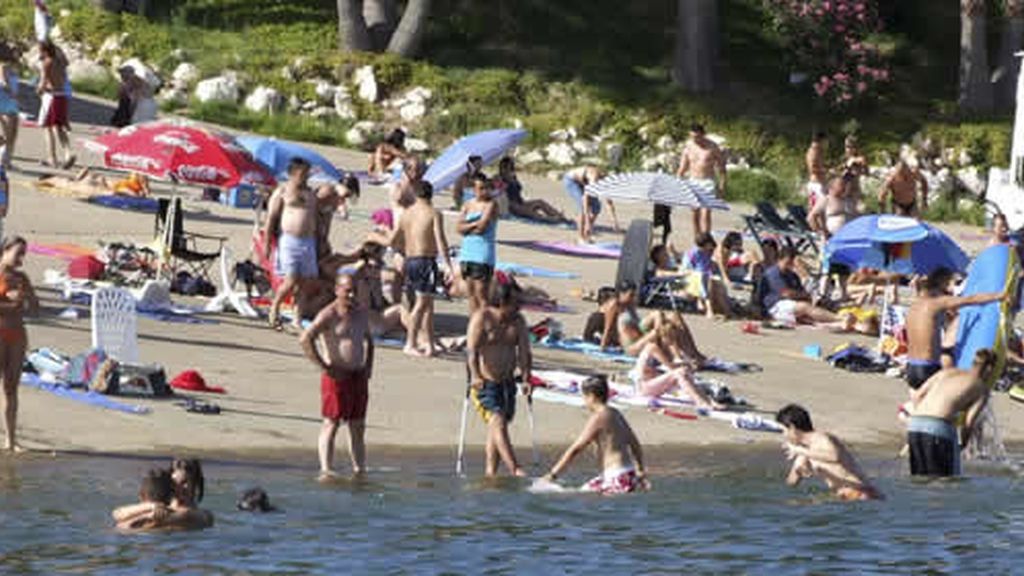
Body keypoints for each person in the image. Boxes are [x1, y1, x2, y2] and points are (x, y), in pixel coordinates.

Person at [300, 273, 374, 479]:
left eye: (353, 291)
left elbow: (369, 340)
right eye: (346, 290)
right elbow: (305, 339)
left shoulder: (360, 312)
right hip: (336, 375)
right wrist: (324, 367)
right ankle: (326, 468)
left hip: (358, 374)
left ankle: (359, 468)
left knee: (358, 424)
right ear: (337, 290)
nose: (350, 295)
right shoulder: (328, 314)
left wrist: (369, 366)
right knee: (332, 422)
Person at [371, 180, 453, 356]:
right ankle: (411, 343)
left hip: (410, 261)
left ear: (415, 195)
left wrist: (378, 236)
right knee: (422, 304)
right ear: (431, 195)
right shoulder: (434, 213)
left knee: (428, 304)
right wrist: (448, 265)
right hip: (425, 261)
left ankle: (430, 344)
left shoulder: (406, 214)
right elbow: (441, 241)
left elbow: (394, 240)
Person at [466, 282, 532, 477]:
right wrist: (476, 375)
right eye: (515, 302)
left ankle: (491, 473)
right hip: (486, 383)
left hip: (508, 382)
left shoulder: (518, 321)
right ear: (502, 301)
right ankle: (515, 469)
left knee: (497, 429)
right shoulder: (482, 318)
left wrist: (527, 377)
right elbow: (471, 351)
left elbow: (524, 352)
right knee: (498, 422)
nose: (519, 306)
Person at [542, 375, 649, 495]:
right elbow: (634, 443)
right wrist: (640, 470)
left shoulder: (598, 417)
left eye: (584, 397)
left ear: (591, 396)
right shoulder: (615, 413)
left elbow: (575, 449)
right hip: (627, 474)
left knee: (572, 496)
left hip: (617, 478)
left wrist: (552, 475)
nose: (584, 401)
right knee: (580, 492)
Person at [904, 268, 1005, 392]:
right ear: (943, 284)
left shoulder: (916, 304)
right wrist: (999, 296)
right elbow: (970, 300)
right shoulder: (937, 302)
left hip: (911, 367)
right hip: (928, 368)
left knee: (919, 405)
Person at [908, 349, 997, 477]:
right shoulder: (980, 388)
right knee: (945, 481)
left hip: (915, 423)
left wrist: (923, 419)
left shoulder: (947, 372)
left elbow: (918, 395)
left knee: (918, 478)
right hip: (939, 427)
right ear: (989, 369)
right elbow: (969, 422)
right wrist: (964, 444)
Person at [776, 404, 883, 501]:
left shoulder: (822, 439)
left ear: (792, 428)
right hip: (845, 497)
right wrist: (799, 471)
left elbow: (834, 456)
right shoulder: (804, 451)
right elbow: (791, 483)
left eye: (783, 430)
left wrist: (800, 451)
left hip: (862, 494)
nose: (783, 435)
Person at [264, 158, 319, 331]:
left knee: (306, 282)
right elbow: (271, 218)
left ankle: (297, 318)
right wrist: (267, 242)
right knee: (290, 280)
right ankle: (275, 308)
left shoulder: (311, 193)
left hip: (308, 241)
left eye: (308, 173)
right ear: (293, 173)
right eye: (303, 173)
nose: (306, 177)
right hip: (289, 240)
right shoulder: (282, 191)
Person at [0, 237, 38, 453]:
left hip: (17, 335)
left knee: (11, 388)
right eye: (18, 253)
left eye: (24, 254)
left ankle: (11, 440)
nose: (21, 259)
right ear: (5, 250)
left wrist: (28, 297)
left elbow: (35, 309)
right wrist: (10, 300)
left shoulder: (21, 278)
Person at [633, 325, 724, 410]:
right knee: (680, 373)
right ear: (662, 337)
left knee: (684, 374)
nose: (673, 342)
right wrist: (688, 365)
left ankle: (708, 401)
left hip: (652, 383)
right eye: (670, 338)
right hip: (643, 387)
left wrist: (687, 365)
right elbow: (671, 366)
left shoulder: (663, 348)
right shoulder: (653, 347)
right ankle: (700, 402)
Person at [760, 246, 837, 325]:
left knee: (814, 309)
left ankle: (838, 320)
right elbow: (786, 294)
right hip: (775, 306)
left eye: (792, 262)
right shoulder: (773, 273)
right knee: (805, 307)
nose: (790, 265)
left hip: (791, 304)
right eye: (788, 262)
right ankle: (838, 318)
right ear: (780, 259)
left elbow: (802, 292)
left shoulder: (792, 275)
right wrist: (803, 295)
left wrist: (806, 296)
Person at [457, 173, 499, 313]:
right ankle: (474, 326)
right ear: (474, 189)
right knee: (471, 295)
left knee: (482, 296)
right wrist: (474, 225)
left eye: (486, 188)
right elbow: (458, 228)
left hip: (482, 255)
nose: (484, 191)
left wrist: (467, 227)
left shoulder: (491, 204)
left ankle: (485, 327)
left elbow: (482, 227)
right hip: (467, 254)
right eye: (480, 188)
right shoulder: (468, 204)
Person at [678, 123, 727, 241]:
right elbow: (683, 167)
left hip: (707, 181)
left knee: (706, 212)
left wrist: (722, 185)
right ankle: (697, 238)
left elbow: (721, 167)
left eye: (697, 137)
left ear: (703, 135)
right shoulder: (688, 147)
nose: (695, 140)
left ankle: (706, 238)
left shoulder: (712, 147)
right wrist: (678, 180)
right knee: (694, 212)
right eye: (692, 137)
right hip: (693, 180)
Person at [497, 156, 569, 225]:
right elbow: (499, 193)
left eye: (511, 166)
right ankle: (551, 220)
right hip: (510, 206)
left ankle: (559, 216)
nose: (511, 168)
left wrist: (512, 180)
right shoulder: (499, 178)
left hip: (520, 202)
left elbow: (518, 189)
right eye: (509, 166)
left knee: (540, 202)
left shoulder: (513, 176)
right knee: (531, 212)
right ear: (503, 167)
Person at [37, 40, 74, 169]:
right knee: (59, 127)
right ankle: (68, 152)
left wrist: (39, 90)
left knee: (47, 128)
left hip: (51, 97)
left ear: (44, 51)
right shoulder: (60, 62)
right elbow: (65, 62)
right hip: (62, 96)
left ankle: (52, 158)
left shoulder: (47, 63)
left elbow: (43, 83)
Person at [681, 232, 732, 318]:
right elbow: (685, 270)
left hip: (707, 277)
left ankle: (727, 310)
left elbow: (715, 265)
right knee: (703, 278)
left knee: (715, 281)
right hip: (693, 278)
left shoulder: (709, 253)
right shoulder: (692, 254)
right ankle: (709, 310)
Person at [563, 165, 618, 243]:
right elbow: (586, 200)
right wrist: (588, 222)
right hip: (572, 181)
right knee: (582, 208)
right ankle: (581, 237)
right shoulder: (594, 178)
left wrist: (614, 221)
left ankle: (587, 234)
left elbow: (609, 203)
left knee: (597, 208)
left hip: (583, 183)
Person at [0, 43, 20, 171]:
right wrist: (11, 92)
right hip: (5, 101)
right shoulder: (3, 66)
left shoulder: (13, 67)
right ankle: (4, 161)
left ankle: (7, 160)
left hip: (12, 102)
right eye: (12, 51)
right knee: (8, 134)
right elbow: (3, 82)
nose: (16, 53)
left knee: (13, 134)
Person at [805, 131, 827, 208]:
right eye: (825, 141)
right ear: (822, 140)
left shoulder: (819, 151)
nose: (826, 144)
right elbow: (812, 169)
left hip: (819, 183)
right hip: (816, 184)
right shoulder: (814, 151)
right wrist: (825, 171)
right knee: (818, 210)